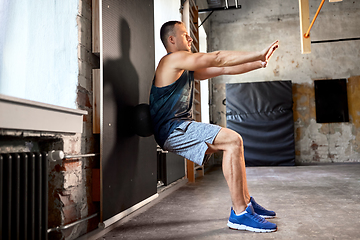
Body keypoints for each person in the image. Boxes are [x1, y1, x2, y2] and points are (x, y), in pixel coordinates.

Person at [149, 21, 279, 233]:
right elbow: (217, 57)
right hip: (172, 130)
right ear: (171, 39)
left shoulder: (187, 70)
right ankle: (239, 214)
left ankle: (245, 202)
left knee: (234, 145)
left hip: (181, 127)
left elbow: (223, 67)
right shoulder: (171, 60)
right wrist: (257, 52)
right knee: (233, 140)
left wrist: (260, 62)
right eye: (184, 34)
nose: (190, 38)